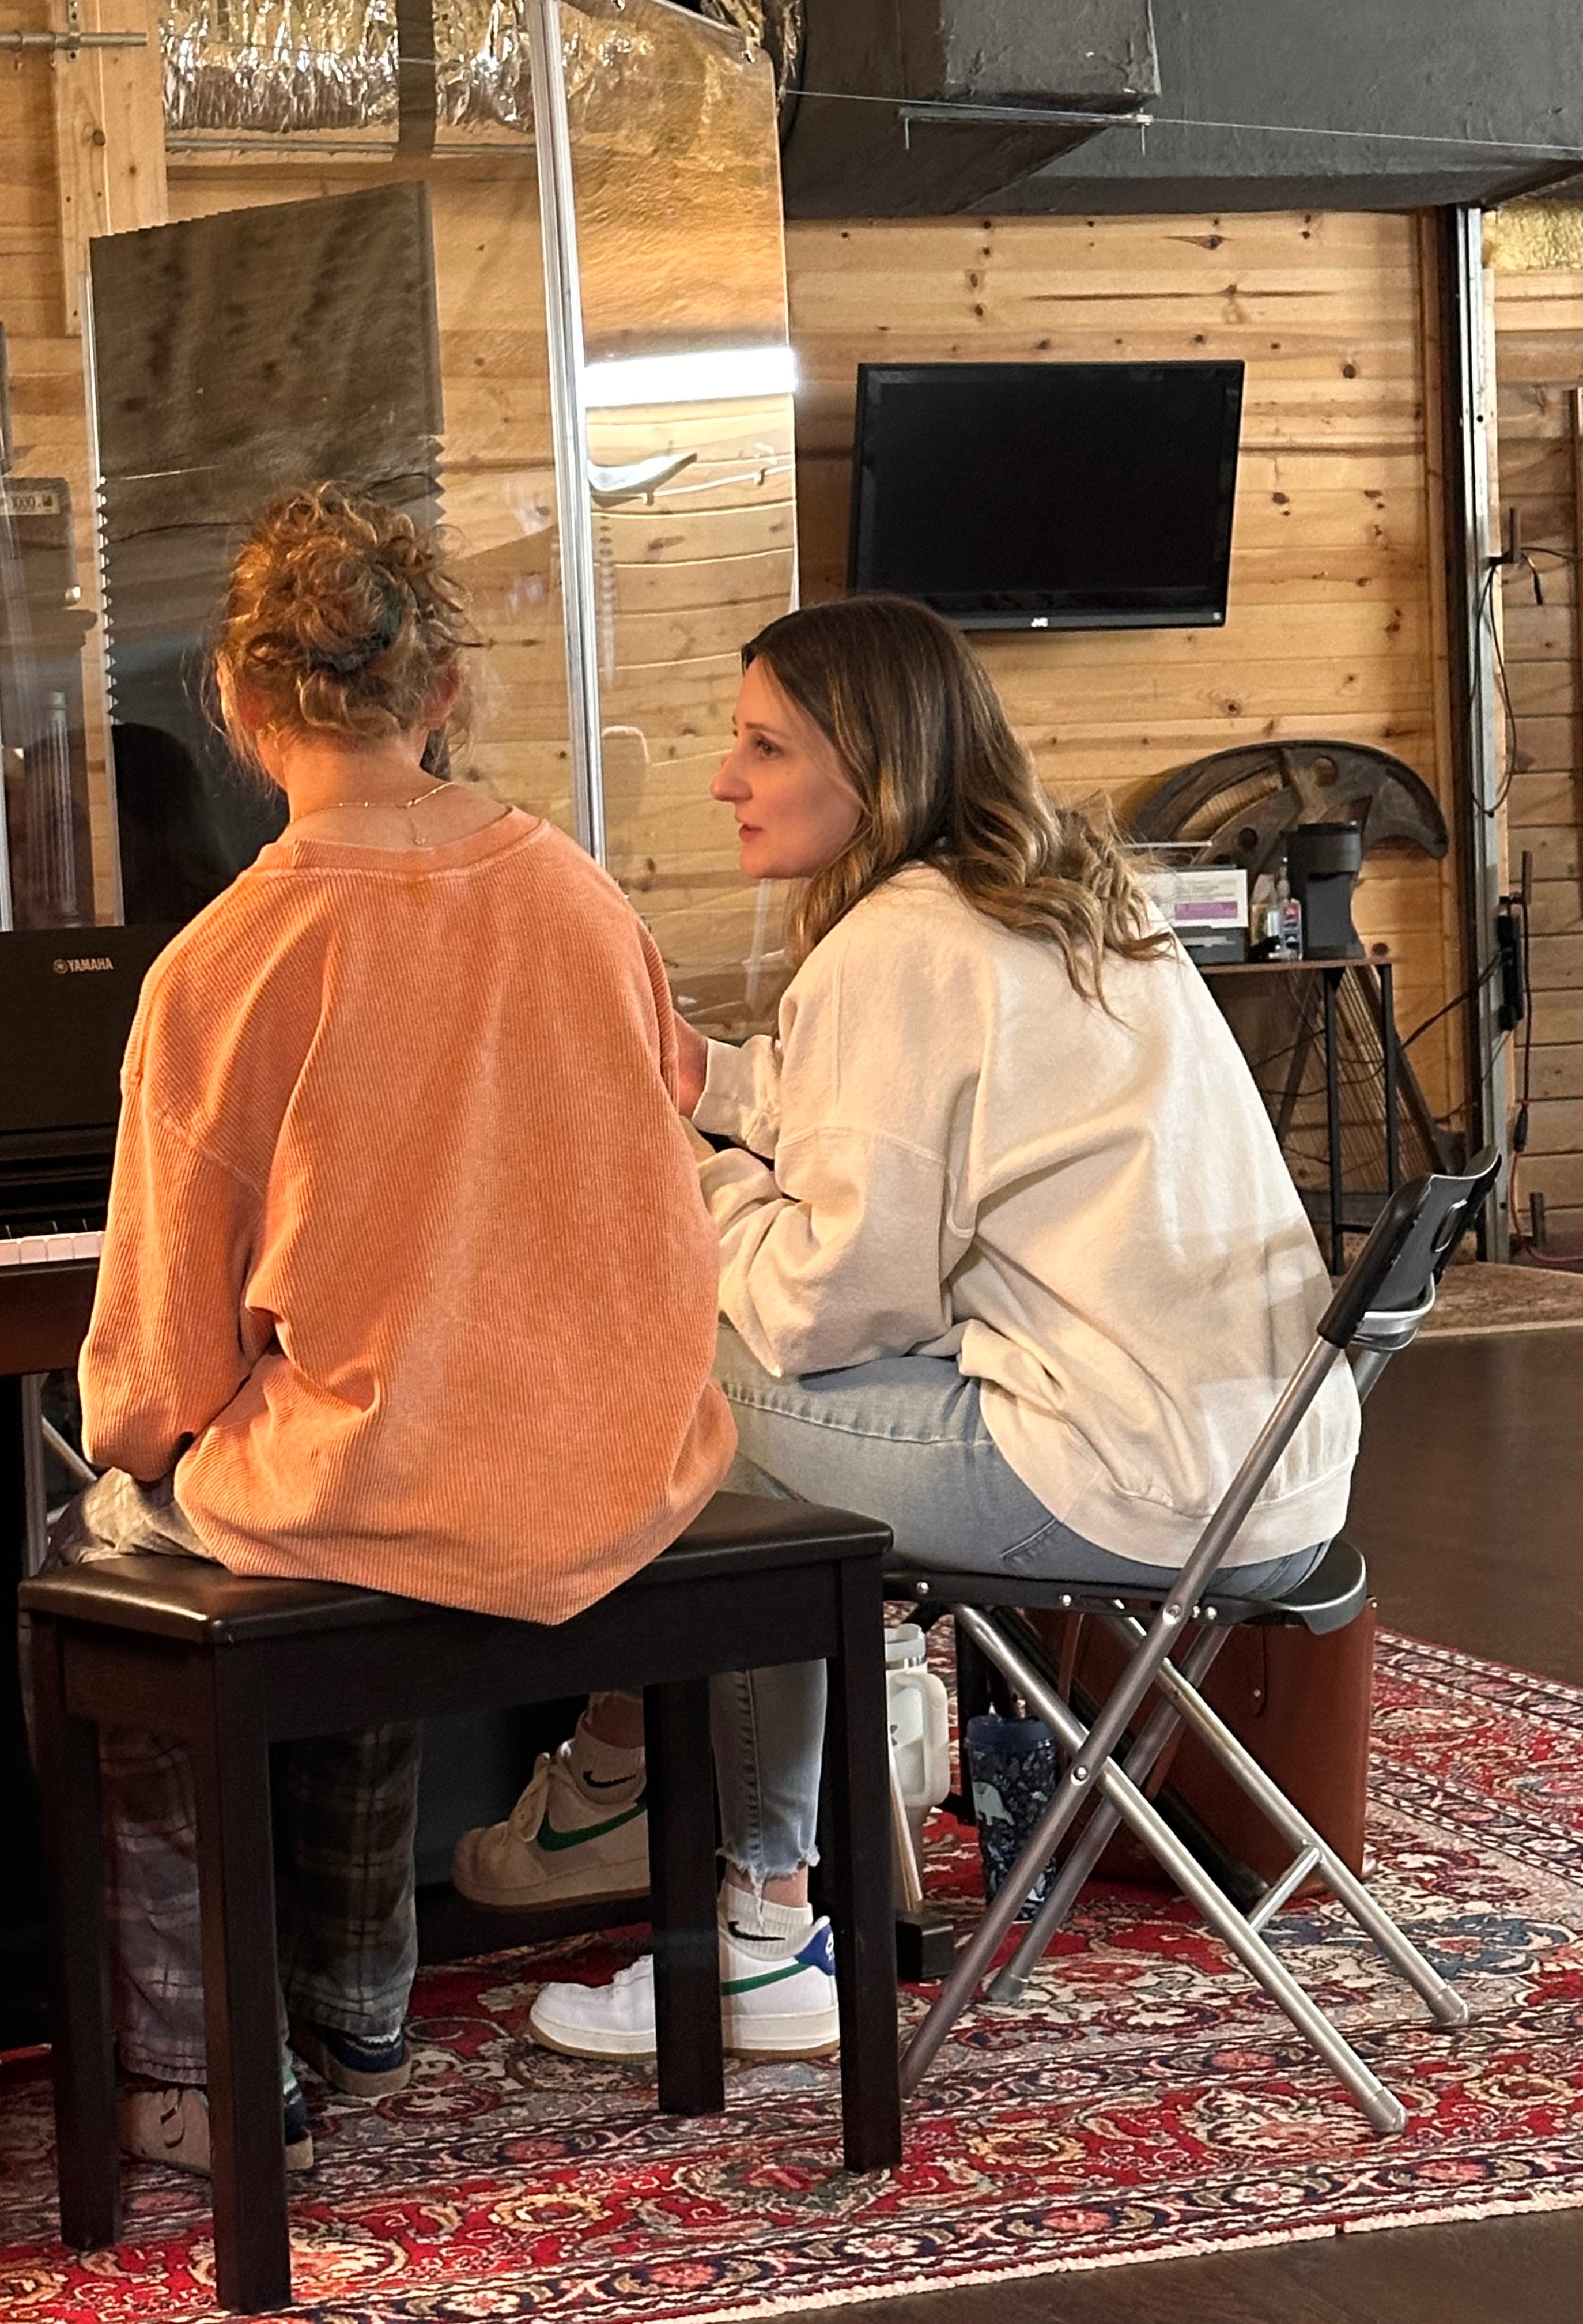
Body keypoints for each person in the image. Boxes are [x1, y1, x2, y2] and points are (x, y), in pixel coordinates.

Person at [492, 595, 1362, 2060]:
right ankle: (621, 1775)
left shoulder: (895, 947)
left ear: (876, 767)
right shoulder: (1068, 895)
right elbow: (887, 1124)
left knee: (713, 1388)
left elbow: (822, 1307)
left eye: (764, 746)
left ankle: (743, 1910)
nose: (724, 780)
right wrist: (703, 1080)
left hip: (1125, 1477)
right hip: (1276, 1477)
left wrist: (685, 1181)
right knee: (750, 1393)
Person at [55, 482, 735, 2172]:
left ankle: (207, 2072)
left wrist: (142, 1449)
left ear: (237, 700)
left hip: (403, 1483)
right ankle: (362, 2000)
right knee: (347, 1465)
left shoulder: (220, 965)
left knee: (137, 1534)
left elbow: (154, 1366)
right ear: (440, 690)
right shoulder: (585, 897)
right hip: (616, 1471)